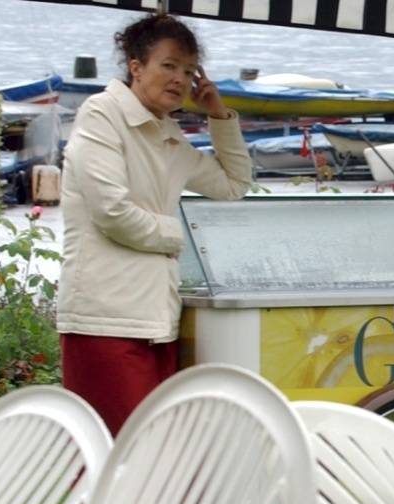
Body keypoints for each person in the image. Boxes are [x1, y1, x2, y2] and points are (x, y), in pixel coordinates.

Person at [57, 14, 251, 435]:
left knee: (153, 458)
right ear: (136, 66)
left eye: (188, 70)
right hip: (103, 319)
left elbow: (235, 184)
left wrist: (219, 116)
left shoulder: (167, 134)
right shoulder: (101, 115)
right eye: (169, 65)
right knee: (118, 458)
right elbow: (113, 212)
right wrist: (178, 238)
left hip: (155, 319)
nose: (180, 78)